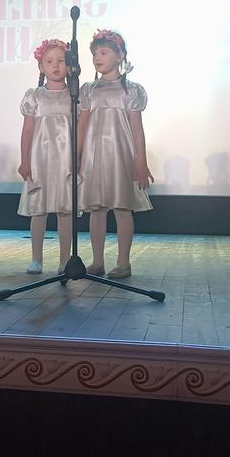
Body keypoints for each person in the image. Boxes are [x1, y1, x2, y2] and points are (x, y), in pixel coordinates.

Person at [78, 29, 154, 279]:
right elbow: (82, 126)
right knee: (96, 209)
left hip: (120, 156)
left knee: (122, 207)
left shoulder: (130, 90)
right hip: (94, 156)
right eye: (95, 54)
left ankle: (123, 262)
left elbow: (137, 130)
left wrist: (141, 163)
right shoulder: (89, 90)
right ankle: (97, 261)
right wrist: (77, 155)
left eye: (104, 52)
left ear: (119, 56)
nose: (97, 57)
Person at [17, 38, 73, 275]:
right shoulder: (35, 96)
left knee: (65, 210)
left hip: (66, 159)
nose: (56, 65)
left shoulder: (75, 95)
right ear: (41, 66)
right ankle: (36, 258)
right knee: (38, 209)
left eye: (61, 60)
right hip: (40, 158)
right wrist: (25, 160)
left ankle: (65, 259)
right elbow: (27, 130)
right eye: (49, 61)